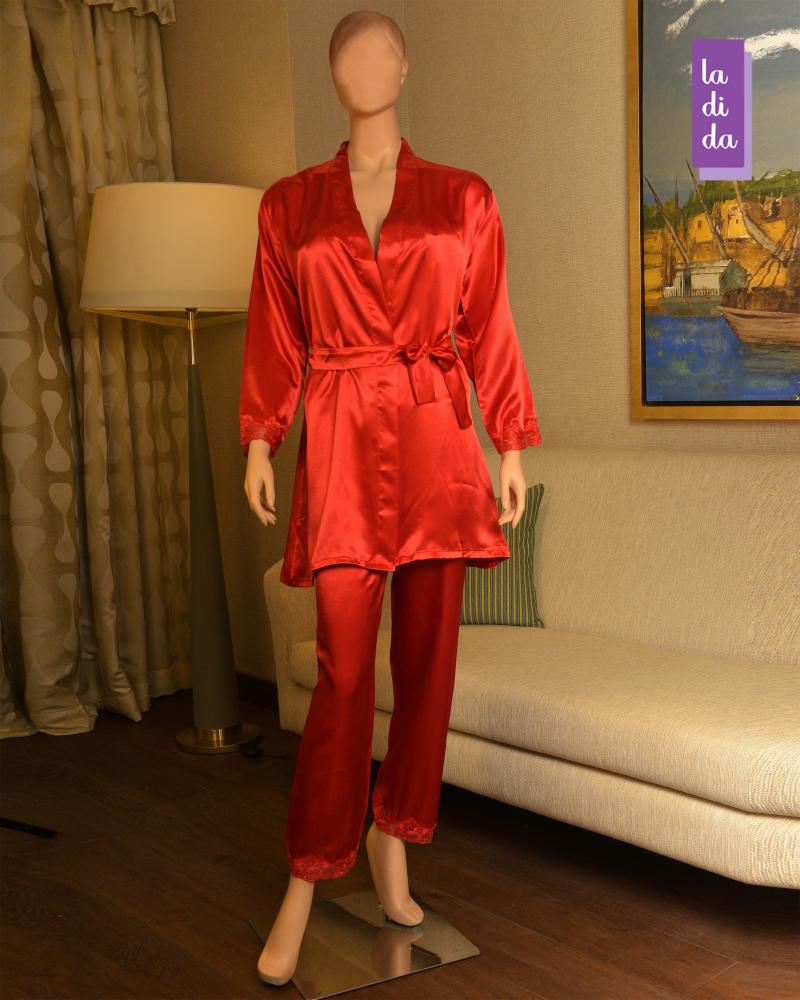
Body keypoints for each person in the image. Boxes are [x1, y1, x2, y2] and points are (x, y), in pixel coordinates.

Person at [239, 10, 542, 986]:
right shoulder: (289, 206)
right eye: (346, 55)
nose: (364, 68)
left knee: (427, 662)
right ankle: (307, 872)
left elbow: (488, 324)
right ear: (334, 75)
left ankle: (393, 836)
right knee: (340, 670)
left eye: (379, 52)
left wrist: (508, 440)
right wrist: (261, 436)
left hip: (435, 438)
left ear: (404, 67)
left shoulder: (462, 197)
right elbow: (276, 332)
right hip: (337, 434)